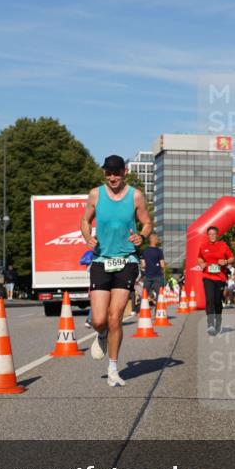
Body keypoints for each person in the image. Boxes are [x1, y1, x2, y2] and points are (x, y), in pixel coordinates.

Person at [81, 154, 153, 387]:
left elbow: (147, 222)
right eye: (108, 173)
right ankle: (101, 334)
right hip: (101, 260)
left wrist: (141, 235)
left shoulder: (135, 195)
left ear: (124, 172)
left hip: (127, 260)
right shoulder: (95, 194)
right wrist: (87, 237)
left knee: (115, 317)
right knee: (99, 320)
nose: (112, 177)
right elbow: (85, 221)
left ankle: (113, 368)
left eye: (116, 173)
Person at [198, 226, 235, 336]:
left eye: (214, 234)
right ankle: (210, 324)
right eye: (210, 234)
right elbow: (199, 258)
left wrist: (225, 261)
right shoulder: (203, 246)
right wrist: (201, 263)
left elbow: (232, 258)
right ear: (207, 235)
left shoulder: (223, 245)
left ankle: (218, 321)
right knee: (209, 299)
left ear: (217, 235)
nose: (212, 236)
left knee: (217, 301)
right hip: (207, 276)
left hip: (220, 277)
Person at [141, 233, 166, 303]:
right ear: (155, 240)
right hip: (157, 275)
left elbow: (143, 265)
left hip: (147, 275)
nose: (158, 240)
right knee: (159, 295)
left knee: (145, 294)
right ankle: (158, 308)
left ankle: (144, 306)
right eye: (157, 239)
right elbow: (162, 265)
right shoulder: (159, 251)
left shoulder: (145, 251)